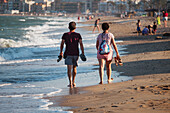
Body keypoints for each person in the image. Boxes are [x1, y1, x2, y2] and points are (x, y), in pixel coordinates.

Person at [59, 21, 85, 88]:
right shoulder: (78, 35)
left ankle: (70, 83)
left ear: (68, 27)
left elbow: (62, 44)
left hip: (67, 53)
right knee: (74, 67)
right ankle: (73, 82)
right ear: (75, 27)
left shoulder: (65, 35)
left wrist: (61, 52)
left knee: (69, 68)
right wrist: (82, 52)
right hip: (76, 53)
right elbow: (81, 44)